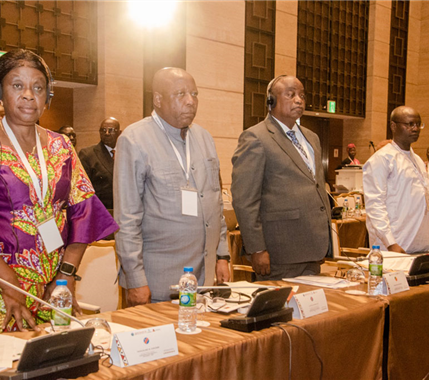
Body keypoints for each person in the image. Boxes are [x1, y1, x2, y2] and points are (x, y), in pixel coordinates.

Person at [0, 49, 118, 332]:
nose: (29, 94)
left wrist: (65, 276)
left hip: (53, 290)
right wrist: (10, 284)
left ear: (47, 97)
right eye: (17, 85)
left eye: (38, 87)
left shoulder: (61, 146)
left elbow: (85, 211)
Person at [114, 67, 230, 305]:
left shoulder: (204, 138)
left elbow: (215, 201)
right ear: (158, 99)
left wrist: (222, 255)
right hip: (158, 284)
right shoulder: (134, 140)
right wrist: (136, 279)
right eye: (181, 94)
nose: (190, 102)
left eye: (195, 94)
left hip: (203, 279)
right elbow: (127, 219)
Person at [231, 75, 332, 280]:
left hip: (313, 248)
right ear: (271, 101)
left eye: (302, 95)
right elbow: (245, 200)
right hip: (279, 251)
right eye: (291, 94)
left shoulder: (312, 137)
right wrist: (257, 248)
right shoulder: (256, 137)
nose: (299, 100)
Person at [363, 106, 429, 253]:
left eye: (418, 124)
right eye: (409, 124)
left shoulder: (417, 160)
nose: (415, 128)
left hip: (419, 242)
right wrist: (390, 242)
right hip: (396, 244)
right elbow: (375, 204)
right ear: (393, 126)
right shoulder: (381, 159)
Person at [78, 117, 121, 210]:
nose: (107, 133)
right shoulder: (88, 154)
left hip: (123, 210)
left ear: (119, 133)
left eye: (111, 130)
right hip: (101, 211)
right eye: (103, 130)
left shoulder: (126, 153)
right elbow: (83, 188)